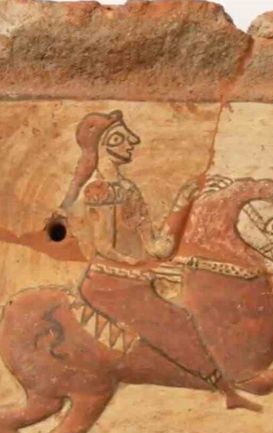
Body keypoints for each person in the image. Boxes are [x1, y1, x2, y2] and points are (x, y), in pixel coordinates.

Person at [59, 110, 260, 412]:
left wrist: (182, 203)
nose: (133, 142)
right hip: (108, 282)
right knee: (177, 319)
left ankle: (225, 380)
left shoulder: (129, 189)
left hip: (131, 277)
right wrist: (146, 271)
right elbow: (105, 248)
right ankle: (223, 388)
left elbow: (157, 247)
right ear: (105, 145)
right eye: (123, 138)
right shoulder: (99, 191)